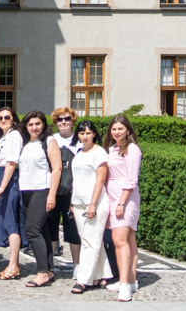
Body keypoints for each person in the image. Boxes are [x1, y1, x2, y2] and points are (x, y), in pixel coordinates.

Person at [17, 110, 63, 288]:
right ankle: (49, 269)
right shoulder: (25, 143)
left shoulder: (49, 141)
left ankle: (42, 272)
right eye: (30, 124)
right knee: (43, 231)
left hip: (42, 190)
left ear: (43, 125)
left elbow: (57, 169)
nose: (34, 127)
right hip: (26, 190)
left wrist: (51, 194)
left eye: (37, 124)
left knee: (32, 230)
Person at [68, 120, 111, 294]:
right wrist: (72, 201)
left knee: (90, 242)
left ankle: (83, 280)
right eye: (81, 133)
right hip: (78, 202)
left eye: (88, 133)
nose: (85, 136)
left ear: (94, 134)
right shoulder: (79, 152)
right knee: (89, 240)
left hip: (95, 203)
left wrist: (93, 204)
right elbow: (76, 180)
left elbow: (100, 180)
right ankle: (103, 274)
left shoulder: (99, 152)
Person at [105, 115, 142, 302]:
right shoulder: (112, 149)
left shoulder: (132, 149)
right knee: (128, 239)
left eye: (120, 128)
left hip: (125, 199)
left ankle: (124, 284)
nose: (117, 132)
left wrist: (121, 202)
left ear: (128, 130)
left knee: (118, 240)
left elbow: (131, 179)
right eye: (114, 129)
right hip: (113, 198)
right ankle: (131, 280)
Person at [0, 106, 25, 280]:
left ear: (13, 119)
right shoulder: (4, 137)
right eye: (0, 117)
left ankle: (13, 265)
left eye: (7, 117)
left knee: (11, 222)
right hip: (0, 175)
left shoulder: (15, 136)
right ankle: (13, 264)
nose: (3, 120)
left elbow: (11, 162)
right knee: (6, 220)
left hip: (8, 179)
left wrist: (2, 186)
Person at [48, 107, 83, 271]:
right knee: (51, 225)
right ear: (55, 122)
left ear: (72, 121)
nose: (63, 122)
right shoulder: (50, 140)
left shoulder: (80, 140)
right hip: (53, 190)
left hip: (72, 192)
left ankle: (77, 264)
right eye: (60, 119)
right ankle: (50, 263)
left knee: (73, 229)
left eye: (67, 119)